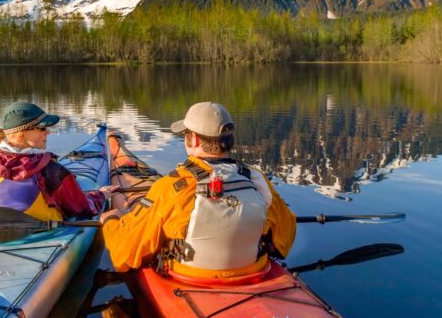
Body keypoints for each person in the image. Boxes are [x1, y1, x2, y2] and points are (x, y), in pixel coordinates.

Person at [101, 102, 297, 278]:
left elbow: (125, 254)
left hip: (189, 276)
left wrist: (110, 220)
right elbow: (284, 240)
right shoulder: (257, 179)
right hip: (253, 271)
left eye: (186, 134)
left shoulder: (171, 187)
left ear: (193, 139)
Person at [0, 100, 116, 220]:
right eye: (42, 128)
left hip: (3, 236)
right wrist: (101, 195)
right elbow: (81, 208)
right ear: (21, 135)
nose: (48, 132)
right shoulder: (50, 169)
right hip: (48, 235)